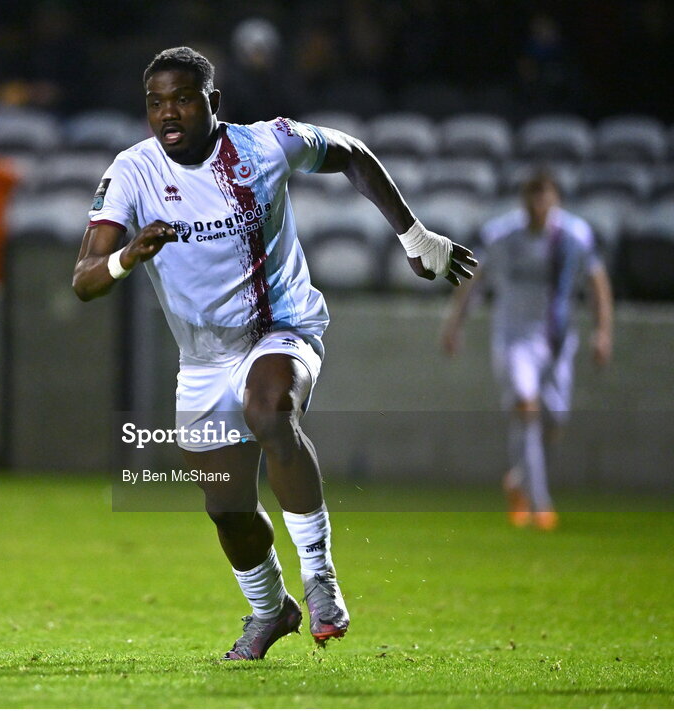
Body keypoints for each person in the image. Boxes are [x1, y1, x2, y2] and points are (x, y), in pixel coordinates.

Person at [72, 46, 476, 661]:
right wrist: (128, 256)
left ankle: (320, 582)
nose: (168, 113)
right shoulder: (132, 172)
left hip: (281, 327)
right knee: (227, 509)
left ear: (213, 102)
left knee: (269, 411)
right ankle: (272, 611)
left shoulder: (267, 145)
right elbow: (84, 279)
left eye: (182, 98)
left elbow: (352, 155)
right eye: (155, 103)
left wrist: (414, 236)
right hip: (204, 357)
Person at [441, 169, 613, 531]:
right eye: (532, 195)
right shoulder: (502, 235)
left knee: (555, 420)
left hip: (557, 339)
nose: (539, 203)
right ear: (523, 200)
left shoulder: (573, 237)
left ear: (556, 199)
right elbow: (474, 278)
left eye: (545, 195)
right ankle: (539, 505)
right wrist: (455, 324)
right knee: (525, 405)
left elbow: (597, 282)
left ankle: (518, 481)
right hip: (514, 338)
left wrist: (602, 332)